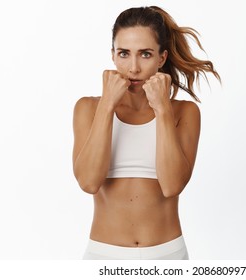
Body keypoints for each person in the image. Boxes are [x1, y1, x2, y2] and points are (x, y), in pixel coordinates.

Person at [72, 6, 220, 260]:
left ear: (161, 58)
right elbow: (88, 182)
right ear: (112, 55)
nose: (133, 68)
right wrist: (107, 105)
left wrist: (162, 109)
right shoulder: (88, 108)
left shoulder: (185, 112)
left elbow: (172, 185)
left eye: (145, 54)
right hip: (104, 255)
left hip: (167, 254)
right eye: (124, 54)